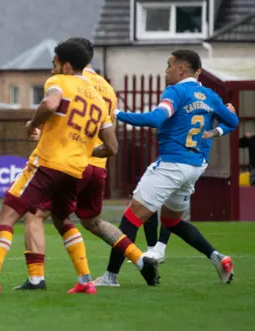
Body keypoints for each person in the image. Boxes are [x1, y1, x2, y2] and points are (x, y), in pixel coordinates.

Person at [0, 40, 117, 299]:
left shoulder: (60, 82)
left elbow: (49, 105)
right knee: (61, 219)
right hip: (76, 170)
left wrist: (31, 123)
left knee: (6, 215)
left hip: (47, 163)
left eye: (54, 63)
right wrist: (85, 151)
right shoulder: (98, 99)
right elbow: (112, 146)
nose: (52, 68)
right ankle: (85, 279)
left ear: (65, 65)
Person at [11, 37, 159, 291]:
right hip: (97, 166)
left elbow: (63, 115)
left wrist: (39, 129)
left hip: (72, 162)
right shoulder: (106, 88)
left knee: (35, 215)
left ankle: (38, 278)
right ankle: (140, 258)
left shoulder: (72, 82)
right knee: (92, 222)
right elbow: (104, 129)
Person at [94, 49, 239, 287]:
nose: (166, 70)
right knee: (171, 221)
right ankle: (219, 259)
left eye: (169, 65)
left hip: (172, 165)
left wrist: (116, 113)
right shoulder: (209, 95)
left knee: (131, 218)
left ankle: (111, 277)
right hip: (195, 167)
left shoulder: (176, 91)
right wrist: (214, 132)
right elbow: (233, 121)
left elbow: (155, 119)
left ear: (181, 69)